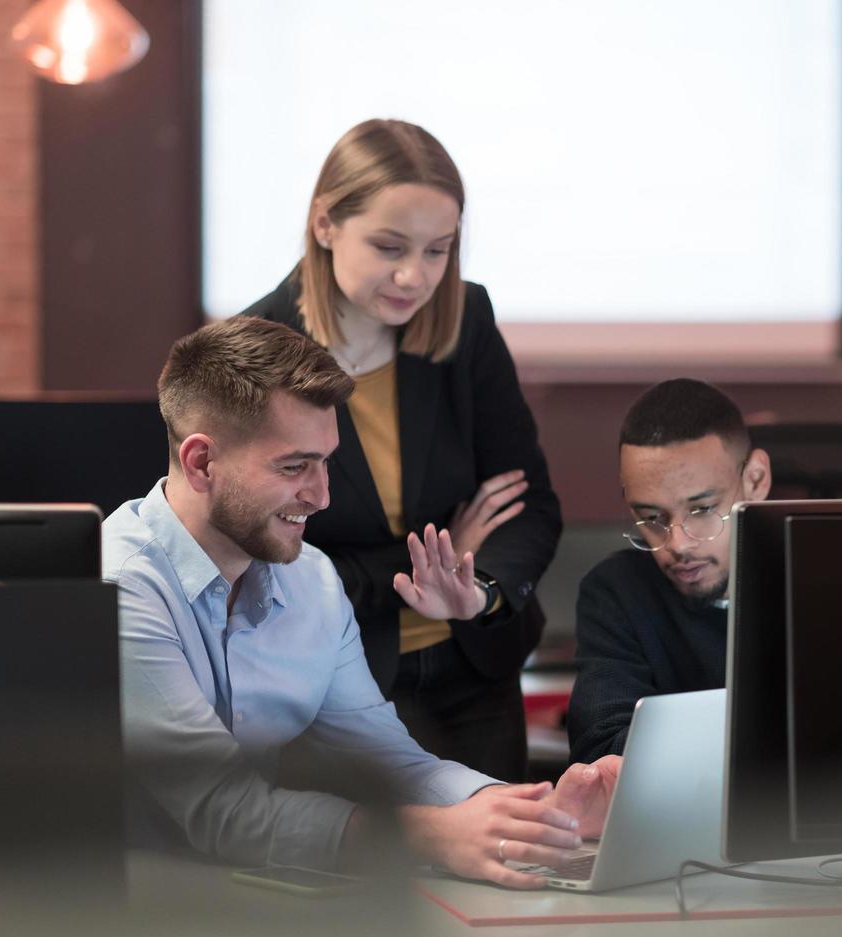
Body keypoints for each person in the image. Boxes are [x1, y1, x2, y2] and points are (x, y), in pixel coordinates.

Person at [104, 317, 614, 886]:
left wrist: (533, 815)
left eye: (327, 462)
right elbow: (223, 809)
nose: (321, 496)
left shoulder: (313, 580)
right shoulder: (119, 586)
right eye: (294, 466)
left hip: (256, 895)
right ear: (202, 463)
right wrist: (423, 833)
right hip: (122, 916)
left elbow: (392, 762)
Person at [241, 119, 559, 783]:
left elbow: (528, 505)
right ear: (326, 223)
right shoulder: (253, 356)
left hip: (476, 673)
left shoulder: (466, 320)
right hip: (339, 687)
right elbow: (269, 566)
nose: (416, 276)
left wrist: (478, 592)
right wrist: (434, 557)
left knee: (503, 872)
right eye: (390, 247)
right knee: (378, 883)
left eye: (438, 250)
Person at [567, 379, 771, 763]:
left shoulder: (825, 580)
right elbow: (602, 753)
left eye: (702, 509)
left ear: (755, 480)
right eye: (651, 517)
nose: (678, 545)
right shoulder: (617, 593)